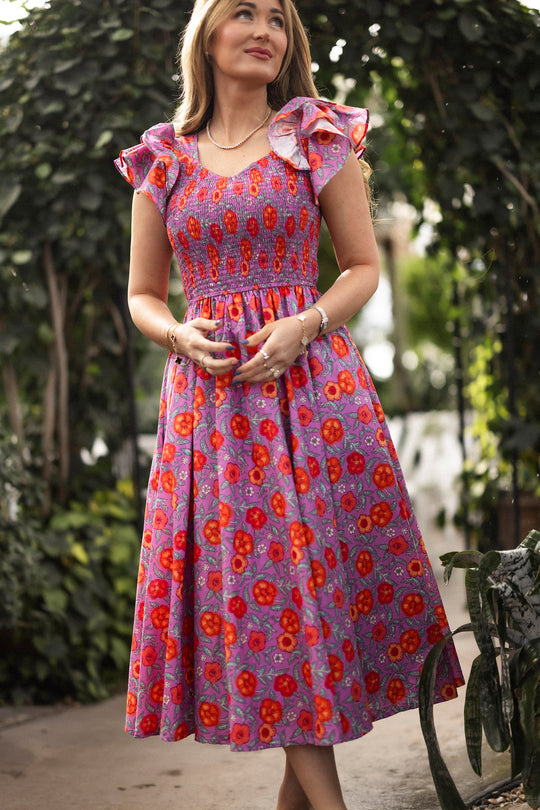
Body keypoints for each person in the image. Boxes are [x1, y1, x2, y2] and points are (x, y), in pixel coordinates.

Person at [114, 1, 464, 808]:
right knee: (272, 601)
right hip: (214, 416)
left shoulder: (315, 137)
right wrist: (176, 335)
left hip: (313, 395)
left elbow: (360, 267)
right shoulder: (162, 158)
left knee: (305, 599)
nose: (265, 27)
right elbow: (141, 294)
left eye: (278, 16)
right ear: (207, 33)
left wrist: (303, 324)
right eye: (245, 11)